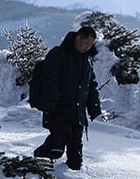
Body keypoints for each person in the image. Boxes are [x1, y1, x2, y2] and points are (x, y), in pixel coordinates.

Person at [33, 26, 101, 170]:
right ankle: (40, 161)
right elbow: (49, 78)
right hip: (59, 109)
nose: (87, 47)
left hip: (78, 113)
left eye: (91, 45)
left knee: (75, 158)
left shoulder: (87, 62)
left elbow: (91, 86)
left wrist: (94, 107)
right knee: (57, 147)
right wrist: (51, 100)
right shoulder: (59, 54)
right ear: (78, 38)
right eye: (85, 43)